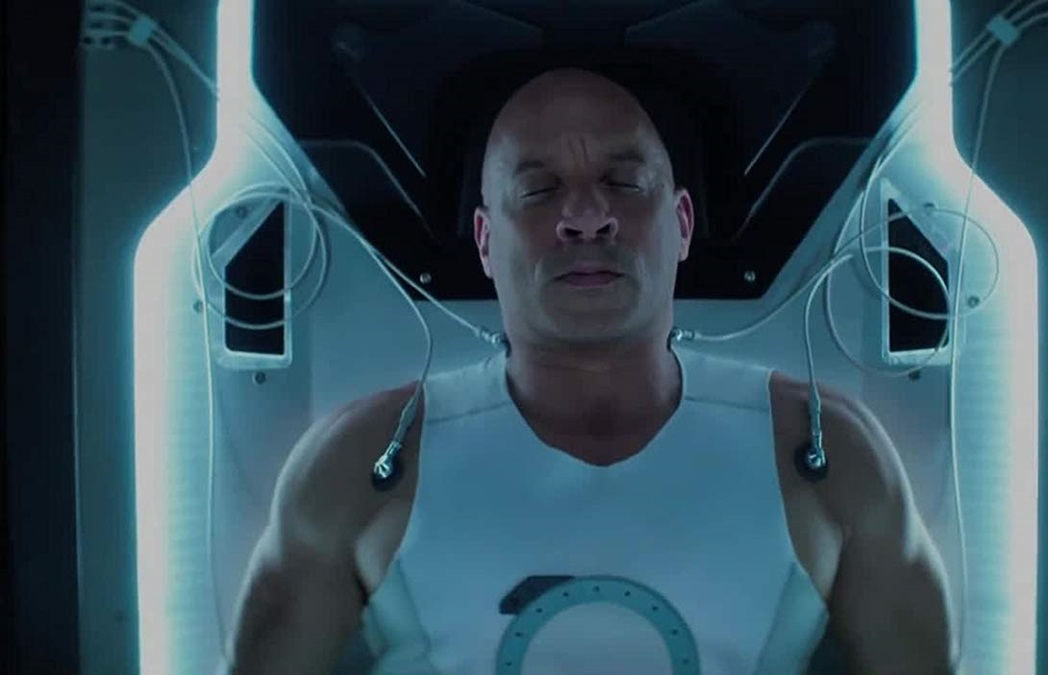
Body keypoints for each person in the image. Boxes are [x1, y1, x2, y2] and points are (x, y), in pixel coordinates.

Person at [225, 67, 959, 674]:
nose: (584, 216)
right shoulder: (359, 463)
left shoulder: (828, 454)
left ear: (682, 224)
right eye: (539, 190)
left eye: (624, 183)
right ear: (485, 241)